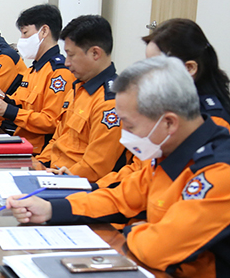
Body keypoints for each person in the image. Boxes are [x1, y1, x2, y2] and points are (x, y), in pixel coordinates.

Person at [6, 55, 230, 278]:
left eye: (130, 126)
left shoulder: (219, 171)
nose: (125, 136)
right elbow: (119, 198)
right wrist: (51, 209)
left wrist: (132, 229)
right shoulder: (168, 151)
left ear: (169, 122)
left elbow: (157, 249)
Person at [96, 18, 230, 189]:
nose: (148, 73)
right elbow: (140, 169)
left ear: (189, 68)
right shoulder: (162, 106)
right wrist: (95, 187)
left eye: (156, 66)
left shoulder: (210, 120)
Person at [34, 15, 126, 182]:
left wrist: (54, 178)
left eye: (71, 55)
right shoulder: (78, 89)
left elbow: (94, 168)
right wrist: (39, 166)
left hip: (76, 184)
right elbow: (57, 140)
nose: (67, 63)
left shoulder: (110, 103)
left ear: (95, 53)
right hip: (53, 175)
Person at [0, 4, 75, 155]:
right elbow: (21, 103)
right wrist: (3, 99)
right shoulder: (33, 70)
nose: (22, 39)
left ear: (44, 31)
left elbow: (51, 122)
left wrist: (9, 110)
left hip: (39, 152)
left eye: (25, 33)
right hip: (21, 143)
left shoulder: (59, 74)